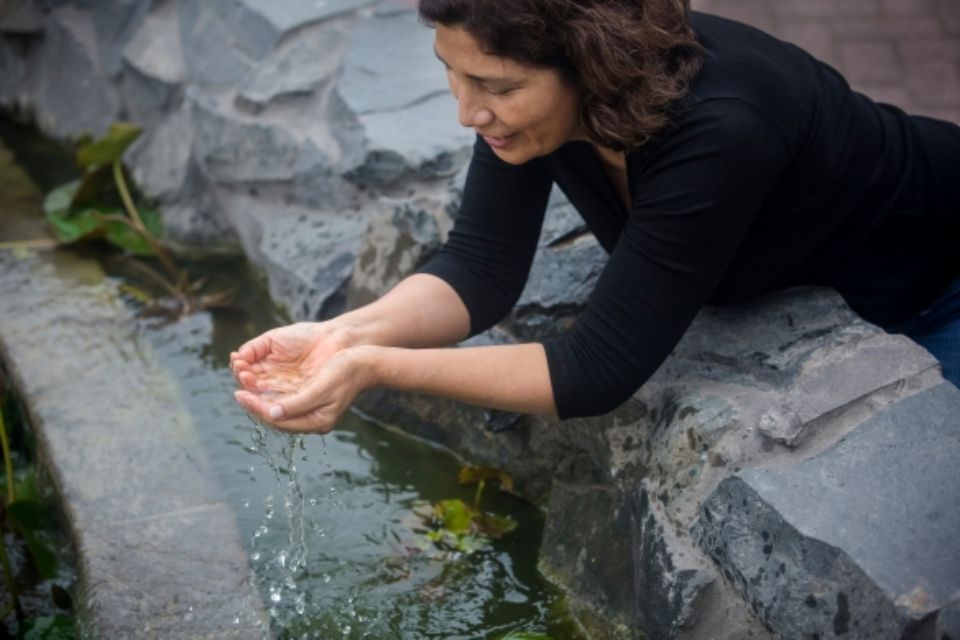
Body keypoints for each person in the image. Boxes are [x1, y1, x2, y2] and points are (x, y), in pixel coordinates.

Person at [231, 0, 960, 433]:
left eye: (493, 86)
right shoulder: (539, 116)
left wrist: (375, 368)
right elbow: (478, 271)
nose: (465, 111)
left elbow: (594, 370)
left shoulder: (722, 128)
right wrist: (338, 334)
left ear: (592, 64)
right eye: (450, 73)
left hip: (943, 279)